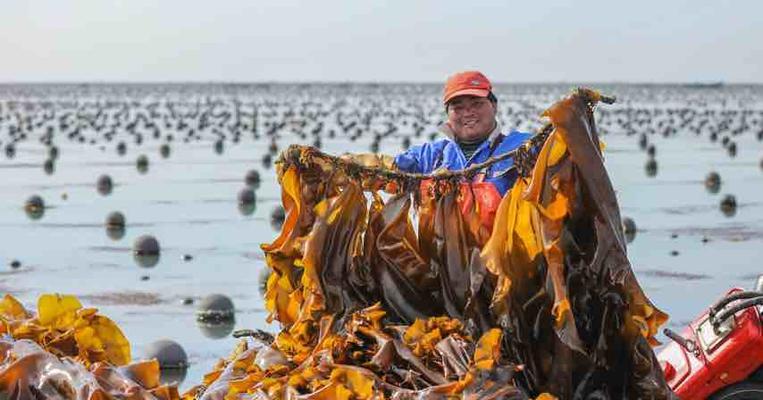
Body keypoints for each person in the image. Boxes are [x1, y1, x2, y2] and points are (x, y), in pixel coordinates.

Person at [393, 71, 533, 229]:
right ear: (448, 114)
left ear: (494, 106)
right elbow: (387, 169)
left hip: (503, 252)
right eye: (458, 107)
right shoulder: (432, 156)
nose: (468, 113)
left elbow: (557, 157)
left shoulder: (521, 146)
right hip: (441, 252)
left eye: (477, 104)